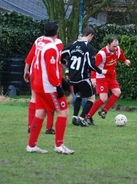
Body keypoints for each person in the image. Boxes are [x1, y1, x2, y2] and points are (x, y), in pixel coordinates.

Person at [24, 20, 74, 154]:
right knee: (63, 111)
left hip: (38, 84)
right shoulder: (51, 47)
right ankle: (59, 145)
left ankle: (31, 145)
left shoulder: (40, 42)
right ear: (57, 32)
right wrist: (58, 85)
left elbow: (39, 59)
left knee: (40, 113)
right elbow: (51, 69)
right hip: (48, 87)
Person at [61, 26, 106, 127]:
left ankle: (75, 117)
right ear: (90, 35)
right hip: (83, 77)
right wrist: (101, 71)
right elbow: (91, 64)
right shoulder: (88, 47)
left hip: (73, 77)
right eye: (92, 37)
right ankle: (82, 118)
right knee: (91, 98)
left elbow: (61, 54)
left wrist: (64, 62)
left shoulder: (73, 44)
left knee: (79, 95)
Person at [86, 36, 130, 122]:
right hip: (101, 77)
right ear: (108, 45)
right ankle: (88, 116)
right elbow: (93, 66)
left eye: (116, 46)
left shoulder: (117, 50)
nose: (115, 48)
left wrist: (125, 60)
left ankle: (104, 111)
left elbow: (121, 55)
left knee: (117, 92)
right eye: (113, 46)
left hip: (111, 76)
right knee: (103, 98)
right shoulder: (101, 54)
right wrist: (93, 78)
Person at [24, 38, 63, 135]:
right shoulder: (57, 43)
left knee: (33, 98)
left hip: (34, 72)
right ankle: (49, 127)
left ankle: (30, 125)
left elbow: (31, 55)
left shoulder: (39, 40)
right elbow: (56, 60)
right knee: (52, 100)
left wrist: (26, 69)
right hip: (46, 76)